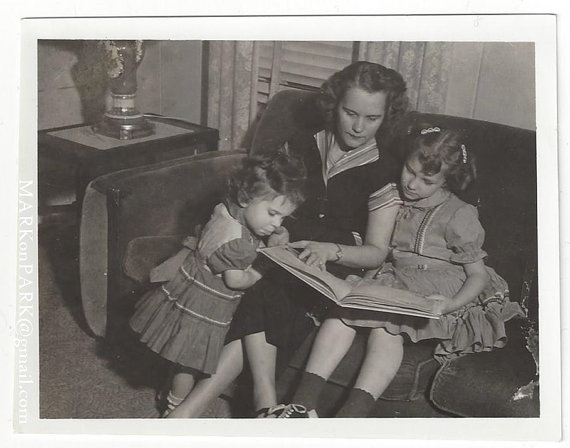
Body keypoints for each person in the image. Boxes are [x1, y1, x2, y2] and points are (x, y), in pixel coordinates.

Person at [167, 61, 410, 418]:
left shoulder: (385, 169)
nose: (358, 127)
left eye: (372, 118)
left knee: (272, 293)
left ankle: (206, 411)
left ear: (387, 115)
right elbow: (268, 198)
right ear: (334, 104)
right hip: (282, 249)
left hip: (337, 267)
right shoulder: (300, 143)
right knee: (261, 286)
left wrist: (330, 250)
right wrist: (278, 232)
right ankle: (261, 408)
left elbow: (376, 253)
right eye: (349, 112)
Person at [284, 127, 525, 417]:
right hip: (395, 276)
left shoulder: (459, 215)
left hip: (442, 283)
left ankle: (352, 415)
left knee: (387, 331)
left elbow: (478, 275)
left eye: (427, 181)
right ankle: (301, 404)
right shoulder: (393, 198)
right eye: (409, 171)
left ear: (446, 181)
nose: (412, 184)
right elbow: (379, 249)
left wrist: (450, 304)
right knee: (340, 314)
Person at [128, 151, 307, 417]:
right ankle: (175, 410)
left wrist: (267, 233)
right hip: (206, 307)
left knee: (180, 356)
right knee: (188, 364)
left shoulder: (226, 213)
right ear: (246, 198)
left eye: (283, 218)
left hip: (189, 291)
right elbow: (237, 281)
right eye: (272, 214)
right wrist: (266, 263)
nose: (276, 224)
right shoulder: (236, 244)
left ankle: (170, 395)